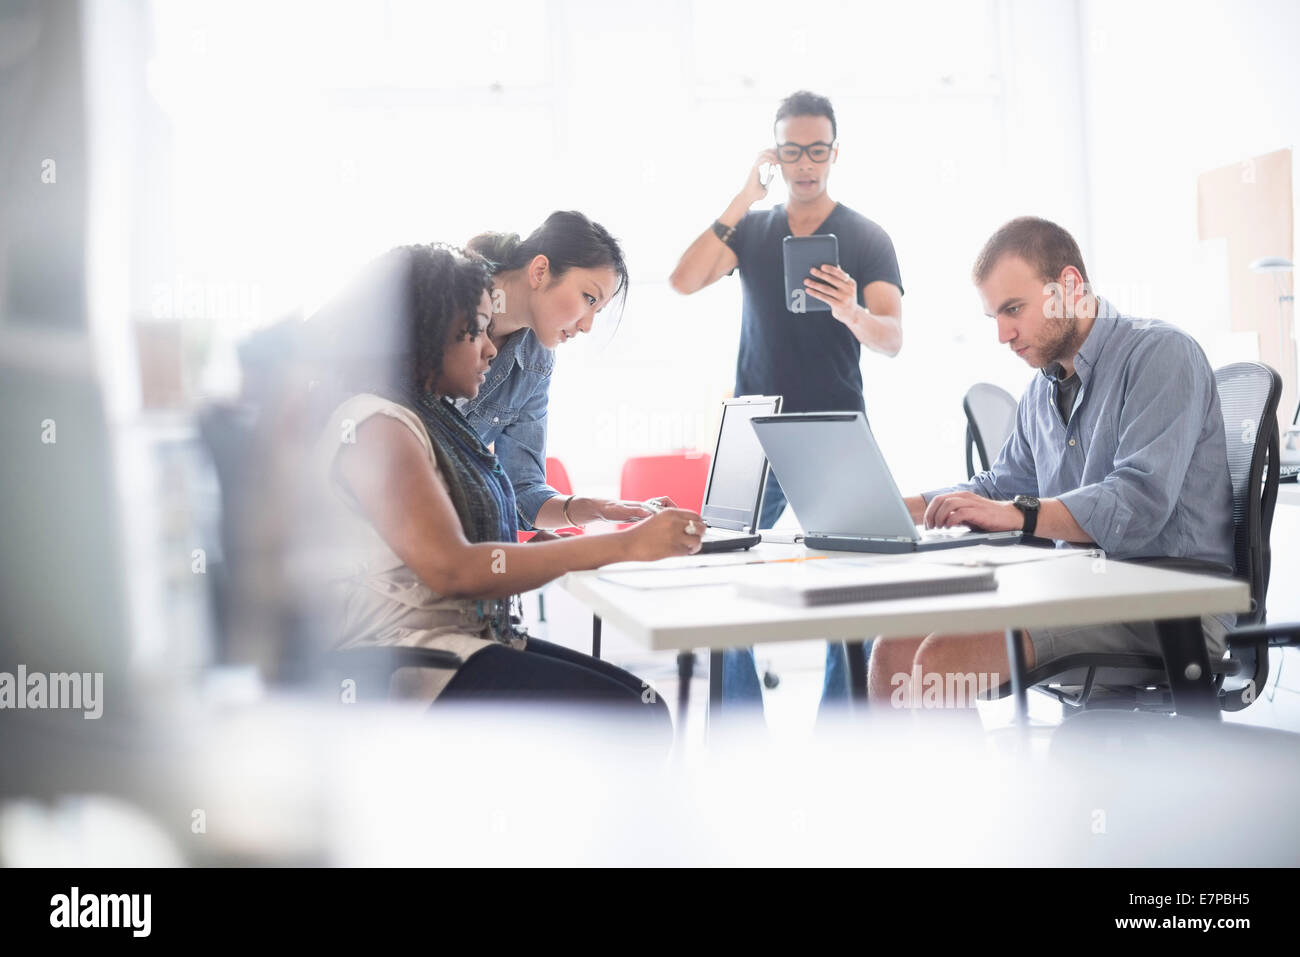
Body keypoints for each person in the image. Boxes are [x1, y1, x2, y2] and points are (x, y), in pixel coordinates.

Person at [307, 243, 705, 725]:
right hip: (408, 656)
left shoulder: (424, 415)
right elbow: (453, 568)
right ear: (425, 332)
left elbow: (501, 509)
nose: (490, 347)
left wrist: (567, 536)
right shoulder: (377, 425)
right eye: (474, 331)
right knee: (634, 715)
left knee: (639, 700)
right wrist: (624, 545)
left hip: (460, 640)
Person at [870, 216, 1235, 709]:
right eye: (994, 317)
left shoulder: (1161, 354)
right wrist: (894, 511)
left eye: (1013, 309)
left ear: (1068, 286)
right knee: (894, 650)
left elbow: (1138, 501)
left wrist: (1022, 512)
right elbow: (998, 487)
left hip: (1169, 604)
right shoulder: (1041, 391)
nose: (1003, 334)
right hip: (1082, 590)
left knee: (939, 658)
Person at [668, 90, 905, 709]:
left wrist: (851, 310)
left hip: (835, 426)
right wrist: (746, 195)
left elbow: (892, 338)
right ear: (777, 154)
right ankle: (739, 727)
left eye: (817, 150)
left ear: (834, 152)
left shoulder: (865, 236)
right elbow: (683, 280)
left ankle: (845, 731)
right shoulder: (752, 229)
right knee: (721, 568)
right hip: (755, 425)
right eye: (793, 151)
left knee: (855, 584)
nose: (806, 164)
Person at [461, 211, 671, 533]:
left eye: (597, 311)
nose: (587, 326)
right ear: (541, 270)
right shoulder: (444, 307)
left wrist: (603, 510)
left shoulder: (537, 358)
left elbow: (522, 493)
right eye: (589, 299)